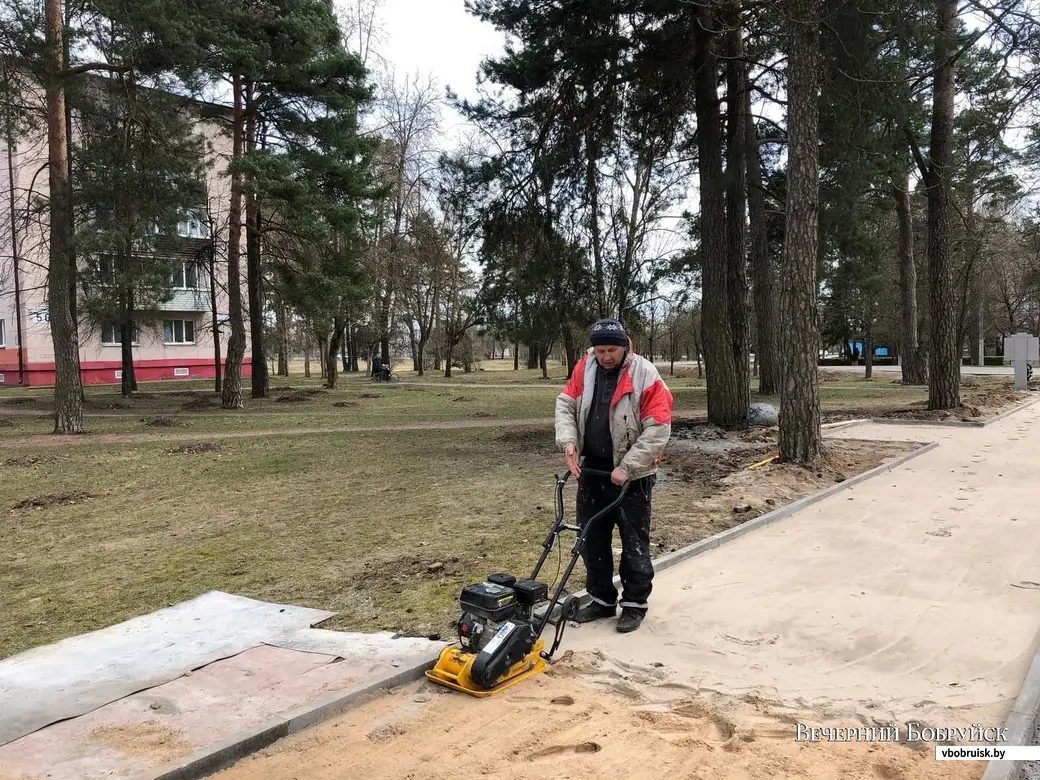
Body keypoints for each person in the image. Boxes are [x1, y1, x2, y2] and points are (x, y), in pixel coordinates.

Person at [554, 318, 673, 633]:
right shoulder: (586, 367)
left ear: (625, 346)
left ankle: (634, 604)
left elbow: (659, 428)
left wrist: (628, 467)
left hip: (632, 475)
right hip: (592, 467)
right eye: (599, 349)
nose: (605, 356)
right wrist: (568, 442)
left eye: (611, 350)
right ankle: (601, 599)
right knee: (591, 537)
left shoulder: (645, 374)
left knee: (633, 539)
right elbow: (565, 404)